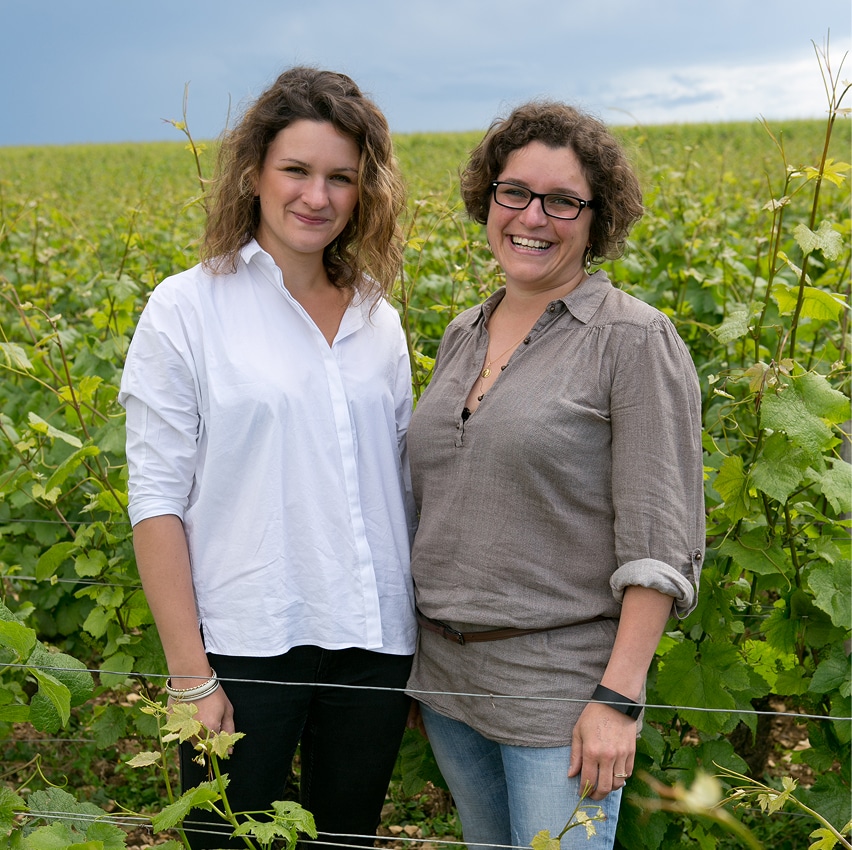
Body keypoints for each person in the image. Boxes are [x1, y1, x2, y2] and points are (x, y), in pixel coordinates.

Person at [119, 67, 416, 849]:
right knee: (226, 841)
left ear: (363, 191)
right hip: (242, 644)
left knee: (346, 841)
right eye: (296, 170)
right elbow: (156, 500)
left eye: (340, 177)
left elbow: (400, 483)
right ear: (253, 174)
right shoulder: (186, 308)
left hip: (374, 646)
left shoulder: (378, 319)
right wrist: (191, 675)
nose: (317, 196)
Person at [405, 101, 705, 850]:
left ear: (596, 219)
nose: (532, 216)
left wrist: (617, 698)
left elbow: (660, 541)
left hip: (561, 698)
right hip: (447, 684)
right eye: (515, 192)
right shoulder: (463, 332)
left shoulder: (633, 340)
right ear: (488, 198)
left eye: (563, 201)